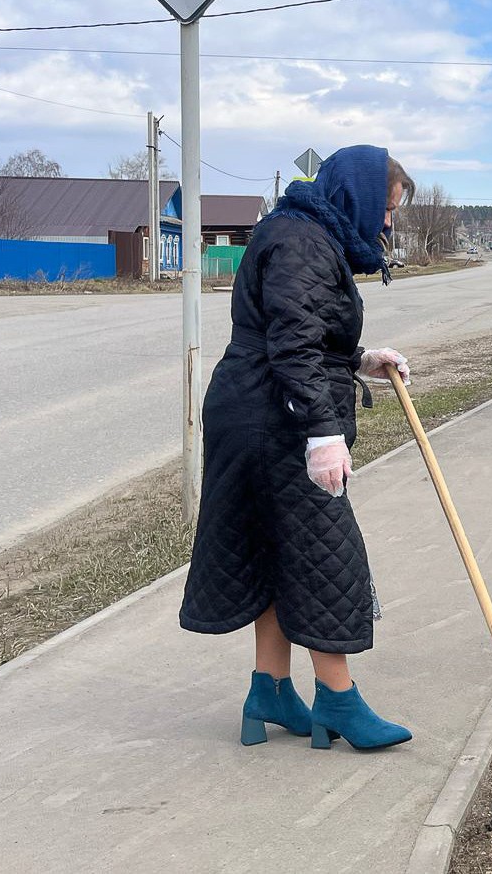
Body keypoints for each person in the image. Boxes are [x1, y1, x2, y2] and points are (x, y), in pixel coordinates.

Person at [180, 145, 416, 752]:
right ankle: (337, 702)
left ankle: (271, 689)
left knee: (273, 548)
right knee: (323, 554)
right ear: (356, 196)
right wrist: (322, 431)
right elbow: (290, 346)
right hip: (273, 419)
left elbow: (300, 333)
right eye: (385, 209)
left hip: (258, 409)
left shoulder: (302, 231)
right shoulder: (303, 241)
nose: (386, 223)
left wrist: (361, 360)